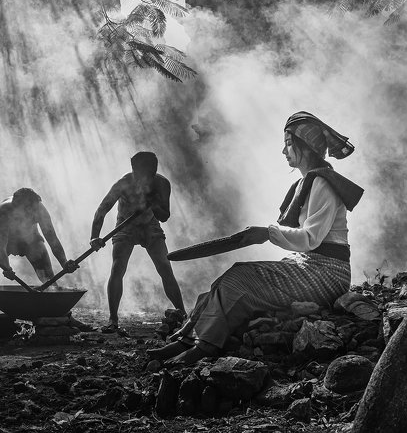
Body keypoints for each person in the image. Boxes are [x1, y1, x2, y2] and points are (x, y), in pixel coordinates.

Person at [148, 112, 362, 367]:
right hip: (310, 266)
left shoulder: (323, 184)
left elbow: (311, 239)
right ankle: (186, 339)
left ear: (306, 147)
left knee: (239, 277)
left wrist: (267, 232)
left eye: (289, 143)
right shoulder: (307, 182)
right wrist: (266, 233)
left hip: (328, 274)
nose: (284, 151)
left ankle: (203, 347)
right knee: (220, 285)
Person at [89, 151, 186, 332]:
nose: (147, 178)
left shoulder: (162, 184)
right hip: (125, 226)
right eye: (143, 173)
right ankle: (113, 319)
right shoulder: (123, 184)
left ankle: (183, 314)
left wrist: (154, 203)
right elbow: (102, 209)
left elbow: (164, 216)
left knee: (165, 266)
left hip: (150, 224)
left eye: (151, 173)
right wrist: (94, 237)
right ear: (134, 170)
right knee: (118, 267)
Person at [0, 188, 78, 335]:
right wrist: (6, 267)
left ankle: (66, 316)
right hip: (6, 240)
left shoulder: (40, 210)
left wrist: (64, 262)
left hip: (31, 240)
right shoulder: (5, 210)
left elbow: (52, 239)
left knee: (49, 279)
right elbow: (1, 244)